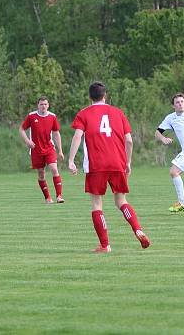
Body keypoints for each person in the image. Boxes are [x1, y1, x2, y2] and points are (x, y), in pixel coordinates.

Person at [67, 82, 150, 253]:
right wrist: (127, 162)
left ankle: (105, 245)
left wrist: (71, 160)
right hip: (117, 163)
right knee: (121, 201)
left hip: (97, 165)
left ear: (90, 97)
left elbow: (77, 136)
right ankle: (138, 229)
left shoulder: (84, 114)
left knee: (97, 204)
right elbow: (129, 140)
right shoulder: (118, 113)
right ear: (105, 96)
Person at [19, 96, 65, 204]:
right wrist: (27, 141)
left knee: (54, 169)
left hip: (49, 148)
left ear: (48, 105)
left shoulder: (52, 117)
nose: (43, 106)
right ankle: (48, 198)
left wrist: (60, 150)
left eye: (45, 104)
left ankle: (59, 196)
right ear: (38, 105)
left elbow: (56, 133)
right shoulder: (31, 116)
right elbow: (21, 129)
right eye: (41, 104)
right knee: (41, 173)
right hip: (36, 150)